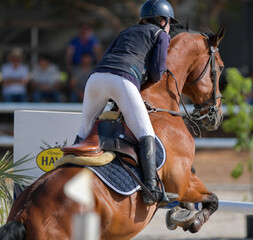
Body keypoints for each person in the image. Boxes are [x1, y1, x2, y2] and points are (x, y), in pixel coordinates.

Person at [73, 0, 179, 206]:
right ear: (163, 20)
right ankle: (150, 189)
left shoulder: (125, 32)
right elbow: (157, 71)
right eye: (169, 24)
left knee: (84, 129)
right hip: (123, 79)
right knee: (145, 133)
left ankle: (69, 170)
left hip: (95, 78)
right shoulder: (161, 35)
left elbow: (106, 56)